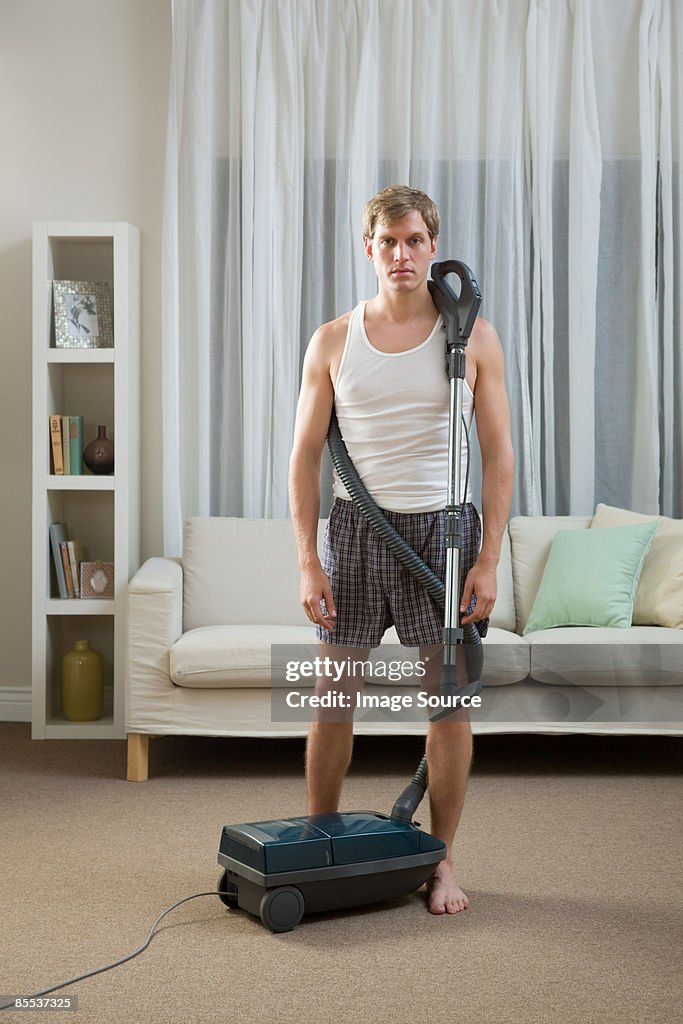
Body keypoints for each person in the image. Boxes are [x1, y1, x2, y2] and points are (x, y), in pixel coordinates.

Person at [288, 185, 514, 915]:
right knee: (330, 702)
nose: (401, 254)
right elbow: (303, 460)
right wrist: (307, 558)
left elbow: (499, 455)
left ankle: (441, 863)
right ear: (369, 250)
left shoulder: (472, 338)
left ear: (432, 247)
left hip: (442, 537)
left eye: (414, 240)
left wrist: (488, 561)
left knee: (446, 710)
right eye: (387, 242)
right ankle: (320, 842)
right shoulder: (331, 339)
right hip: (355, 533)